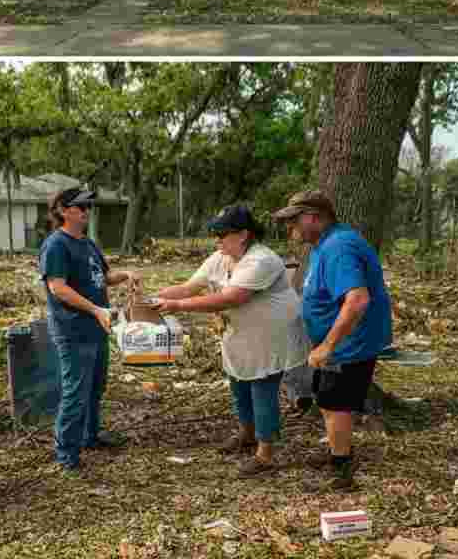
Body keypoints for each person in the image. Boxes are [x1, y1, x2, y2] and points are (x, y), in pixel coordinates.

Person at [151, 204, 308, 476]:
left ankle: (265, 453)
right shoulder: (220, 257)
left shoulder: (261, 260)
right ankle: (246, 433)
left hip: (270, 335)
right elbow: (189, 287)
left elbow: (232, 298)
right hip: (240, 333)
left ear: (244, 234)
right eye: (216, 233)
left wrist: (178, 306)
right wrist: (154, 297)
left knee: (262, 387)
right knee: (238, 383)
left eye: (222, 234)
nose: (217, 240)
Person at [271, 190, 393, 491]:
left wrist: (328, 345)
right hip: (339, 344)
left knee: (336, 403)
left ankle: (342, 473)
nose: (291, 229)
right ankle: (338, 453)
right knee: (329, 402)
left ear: (314, 217)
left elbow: (357, 299)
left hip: (348, 345)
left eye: (295, 221)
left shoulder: (339, 247)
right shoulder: (325, 245)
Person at [39, 187, 141, 473]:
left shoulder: (87, 243)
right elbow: (57, 287)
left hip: (97, 327)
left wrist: (127, 274)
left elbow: (104, 276)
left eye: (89, 207)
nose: (86, 212)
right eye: (80, 207)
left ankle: (89, 436)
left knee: (95, 387)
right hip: (73, 330)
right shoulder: (56, 245)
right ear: (62, 210)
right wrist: (95, 310)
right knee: (76, 391)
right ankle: (66, 453)